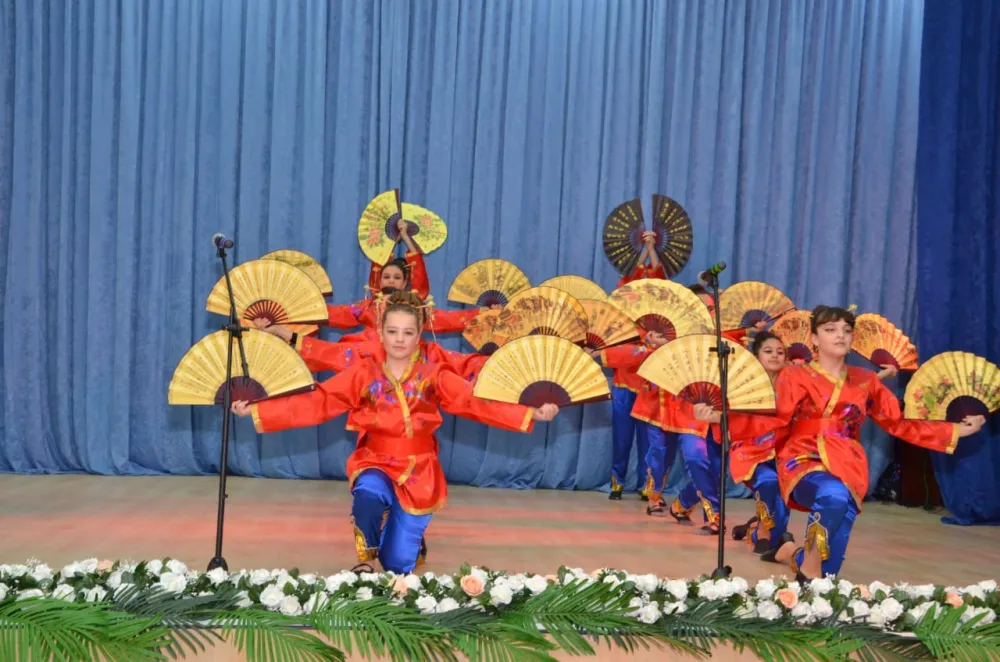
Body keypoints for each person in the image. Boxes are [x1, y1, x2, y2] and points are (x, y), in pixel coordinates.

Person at [232, 291, 560, 574]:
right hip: (374, 457)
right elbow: (321, 401)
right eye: (392, 332)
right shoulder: (364, 370)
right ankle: (366, 560)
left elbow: (472, 402)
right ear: (382, 334)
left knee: (398, 564)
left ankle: (400, 549)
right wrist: (260, 410)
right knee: (368, 495)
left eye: (407, 332)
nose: (399, 339)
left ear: (419, 335)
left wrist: (528, 413)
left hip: (420, 469)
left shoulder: (435, 371)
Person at [693, 305, 984, 580]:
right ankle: (807, 569)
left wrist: (955, 430)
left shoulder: (866, 380)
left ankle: (791, 554)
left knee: (829, 571)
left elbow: (897, 422)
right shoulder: (794, 375)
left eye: (846, 330)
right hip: (802, 458)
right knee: (832, 496)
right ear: (815, 338)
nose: (841, 335)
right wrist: (722, 417)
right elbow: (774, 419)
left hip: (848, 463)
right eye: (831, 329)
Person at [326, 219, 477, 341]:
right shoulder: (368, 307)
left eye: (397, 277)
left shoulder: (414, 308)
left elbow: (451, 319)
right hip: (369, 360)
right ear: (379, 281)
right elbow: (335, 314)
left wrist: (486, 313)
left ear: (405, 283)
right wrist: (308, 309)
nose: (391, 281)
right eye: (386, 277)